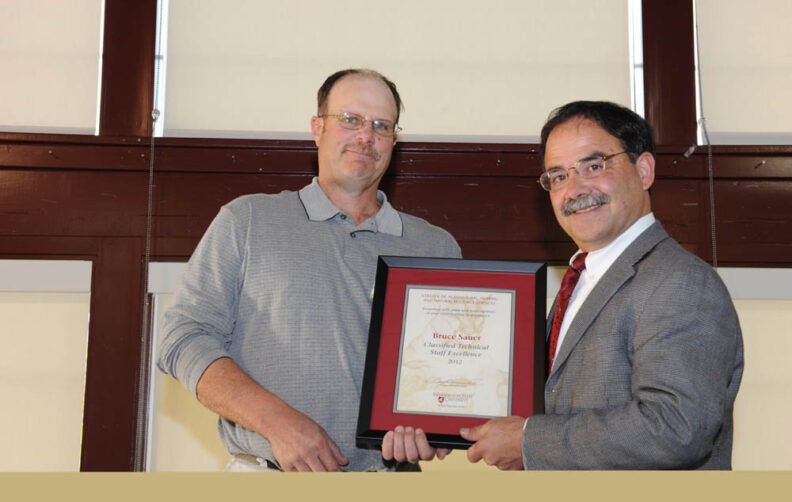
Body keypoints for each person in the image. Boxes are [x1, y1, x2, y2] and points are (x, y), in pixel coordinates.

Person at [394, 100, 744, 469]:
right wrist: (437, 418)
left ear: (643, 171)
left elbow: (674, 428)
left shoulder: (680, 282)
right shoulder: (581, 278)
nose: (574, 189)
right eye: (558, 176)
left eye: (593, 166)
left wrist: (527, 440)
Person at [157, 68, 460, 472]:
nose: (365, 136)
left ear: (394, 141)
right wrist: (277, 422)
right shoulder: (247, 221)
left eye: (381, 126)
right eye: (350, 119)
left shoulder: (435, 248)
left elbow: (448, 374)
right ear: (318, 129)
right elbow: (182, 339)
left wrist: (433, 423)